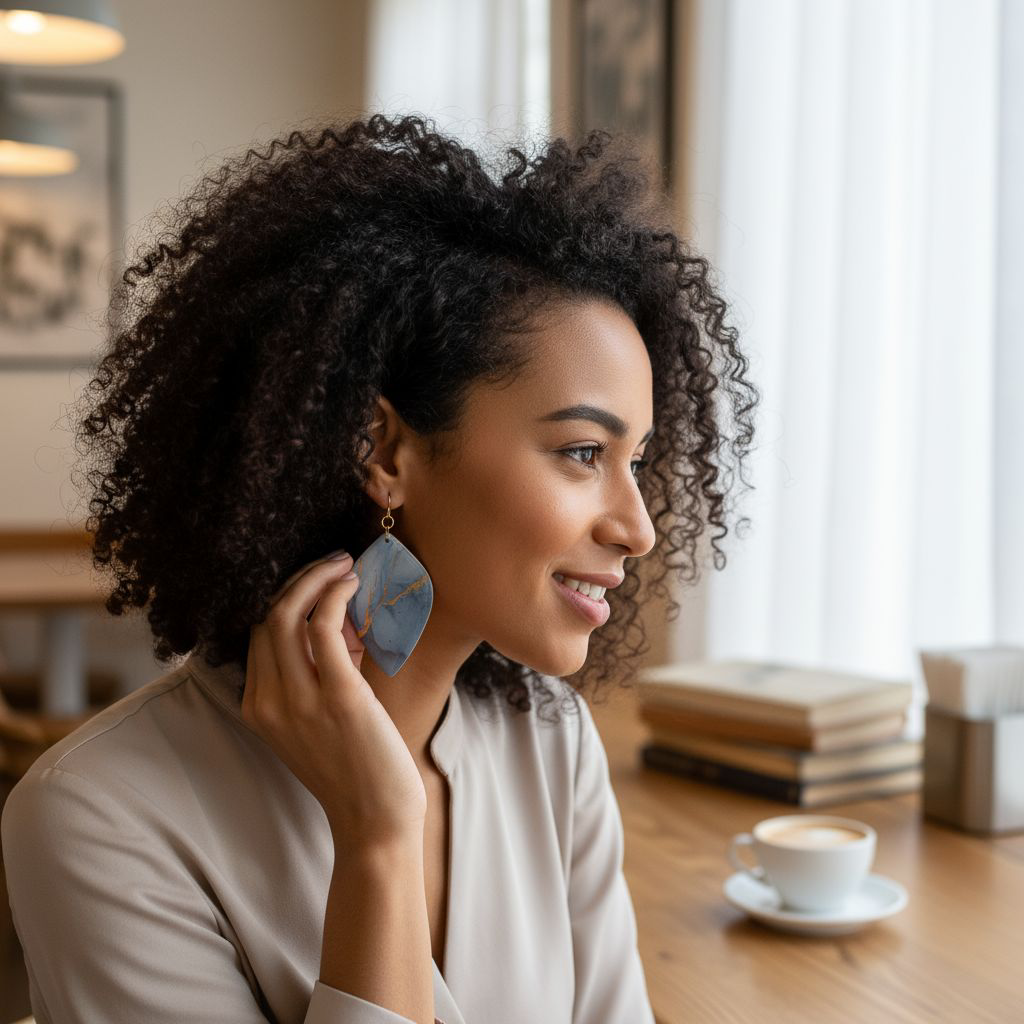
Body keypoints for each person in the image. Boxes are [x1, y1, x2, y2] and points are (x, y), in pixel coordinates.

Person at [1, 112, 759, 1024]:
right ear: (384, 450)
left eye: (635, 460)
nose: (637, 528)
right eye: (581, 452)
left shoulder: (549, 743)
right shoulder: (100, 815)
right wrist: (376, 837)